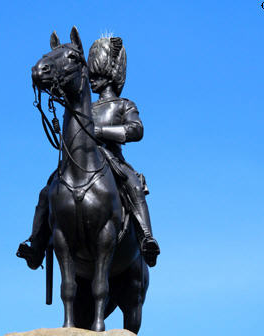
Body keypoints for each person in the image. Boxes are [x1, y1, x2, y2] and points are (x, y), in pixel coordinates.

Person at [17, 36, 160, 269]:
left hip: (112, 160)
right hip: (82, 159)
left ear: (110, 76)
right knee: (47, 190)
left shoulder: (124, 105)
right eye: (92, 76)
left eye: (98, 76)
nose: (93, 81)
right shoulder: (85, 107)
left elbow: (136, 130)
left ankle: (146, 237)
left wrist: (100, 131)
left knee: (133, 183)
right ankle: (36, 244)